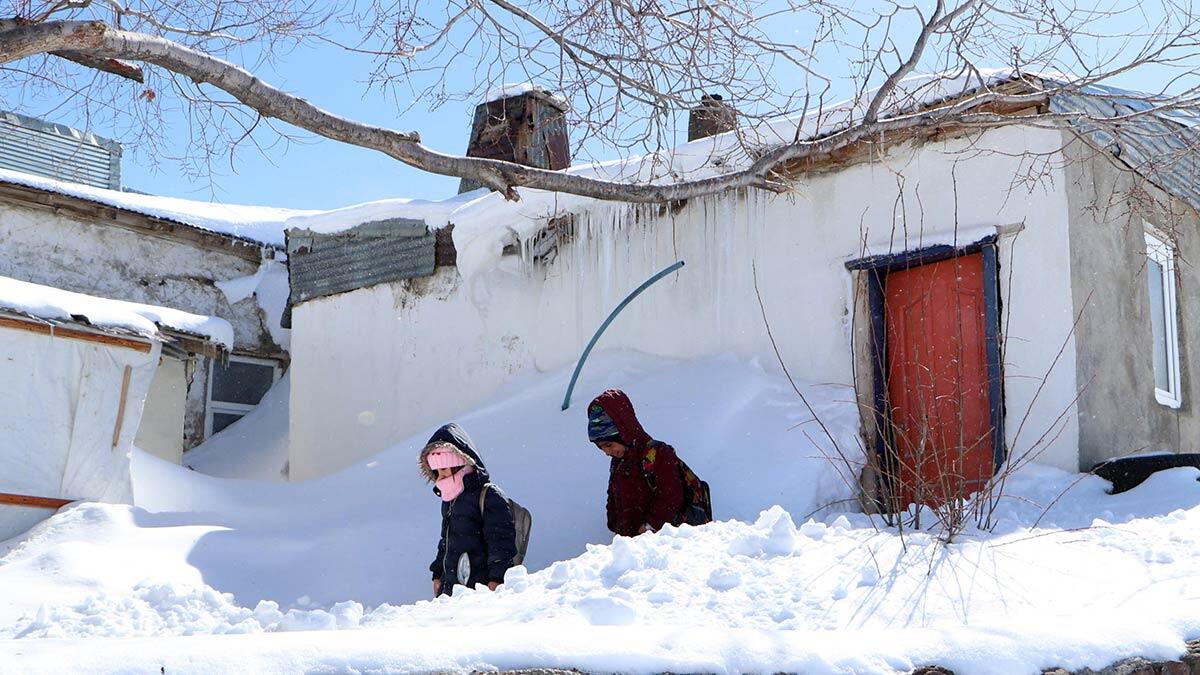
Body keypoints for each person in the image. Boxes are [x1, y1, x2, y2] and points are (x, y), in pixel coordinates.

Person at [419, 422, 517, 597]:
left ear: (460, 465)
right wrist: (438, 573)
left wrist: (497, 578)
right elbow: (446, 541)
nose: (440, 478)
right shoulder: (450, 499)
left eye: (443, 471)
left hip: (480, 591)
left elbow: (501, 541)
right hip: (451, 590)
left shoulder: (488, 495)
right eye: (437, 473)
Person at [587, 389, 689, 537]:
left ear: (623, 433)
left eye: (609, 445)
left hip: (665, 543)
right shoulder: (619, 463)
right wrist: (616, 525)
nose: (607, 452)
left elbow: (671, 496)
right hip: (634, 545)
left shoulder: (658, 454)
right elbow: (614, 498)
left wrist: (649, 526)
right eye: (601, 448)